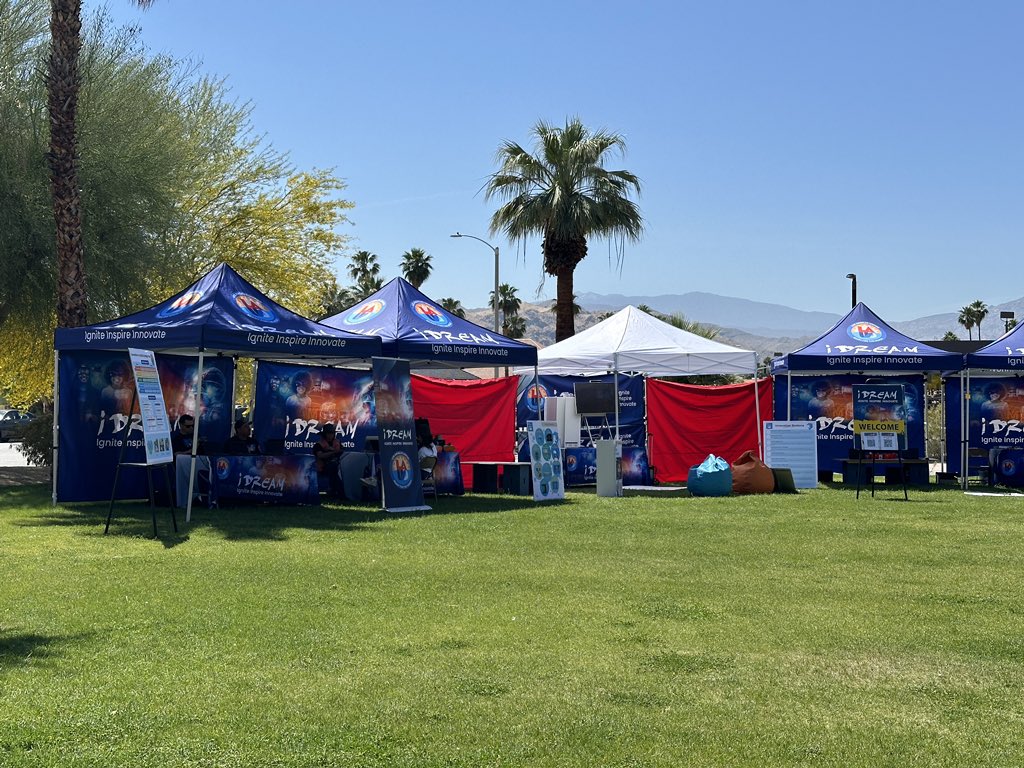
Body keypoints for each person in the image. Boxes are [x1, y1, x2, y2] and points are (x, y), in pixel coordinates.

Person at [313, 422, 344, 497]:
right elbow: (320, 455)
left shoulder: (338, 442)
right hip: (323, 467)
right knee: (333, 467)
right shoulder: (318, 444)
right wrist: (332, 452)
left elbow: (343, 452)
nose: (330, 435)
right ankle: (334, 491)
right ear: (324, 434)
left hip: (338, 465)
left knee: (338, 467)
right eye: (328, 433)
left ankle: (342, 491)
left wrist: (336, 452)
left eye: (332, 433)